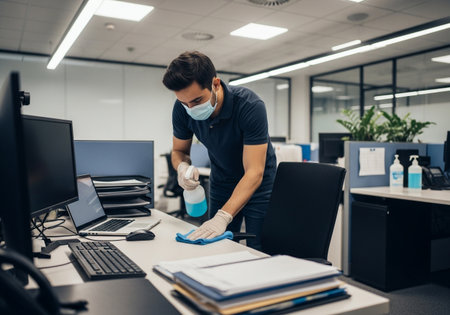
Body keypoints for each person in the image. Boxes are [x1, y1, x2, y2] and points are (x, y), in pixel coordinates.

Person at [162, 51, 276, 250]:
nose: (190, 108)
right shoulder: (182, 109)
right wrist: (181, 168)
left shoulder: (249, 106)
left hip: (259, 185)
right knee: (217, 245)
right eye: (184, 102)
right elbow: (179, 151)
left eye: (196, 101)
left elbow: (254, 172)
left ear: (215, 84)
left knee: (258, 248)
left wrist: (223, 216)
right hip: (222, 181)